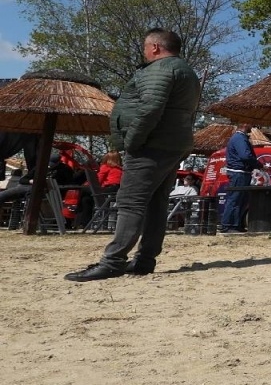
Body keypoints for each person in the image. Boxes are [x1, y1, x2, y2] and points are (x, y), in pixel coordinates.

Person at [65, 28, 201, 281]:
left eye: (145, 47)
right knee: (156, 203)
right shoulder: (187, 72)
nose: (144, 52)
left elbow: (150, 107)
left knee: (130, 201)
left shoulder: (160, 70)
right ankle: (145, 260)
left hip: (152, 145)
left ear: (156, 48)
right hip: (172, 142)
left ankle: (114, 260)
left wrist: (132, 141)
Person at [219, 125, 259, 233]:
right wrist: (258, 164)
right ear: (245, 124)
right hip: (239, 173)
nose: (253, 126)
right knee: (235, 199)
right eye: (251, 124)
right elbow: (245, 155)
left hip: (241, 173)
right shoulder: (240, 138)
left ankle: (235, 225)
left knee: (240, 200)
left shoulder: (240, 138)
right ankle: (229, 225)